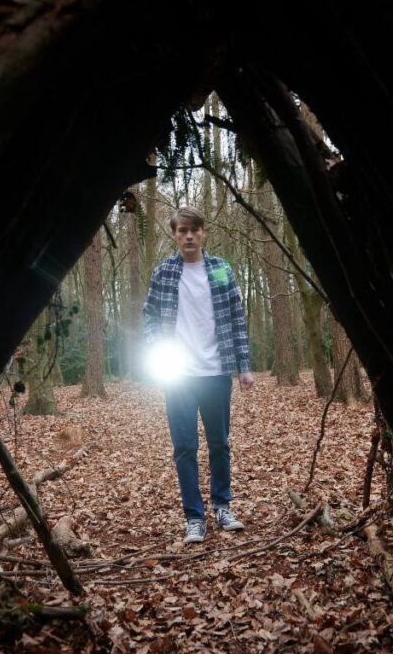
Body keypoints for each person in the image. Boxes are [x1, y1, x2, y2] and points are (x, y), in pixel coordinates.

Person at [143, 206, 255, 544]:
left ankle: (222, 506)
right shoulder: (163, 271)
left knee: (219, 443)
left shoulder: (221, 270)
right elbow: (148, 316)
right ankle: (194, 517)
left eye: (194, 230)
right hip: (178, 376)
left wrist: (244, 365)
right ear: (175, 235)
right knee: (184, 447)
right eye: (182, 231)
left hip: (217, 370)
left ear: (203, 233)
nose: (188, 236)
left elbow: (236, 316)